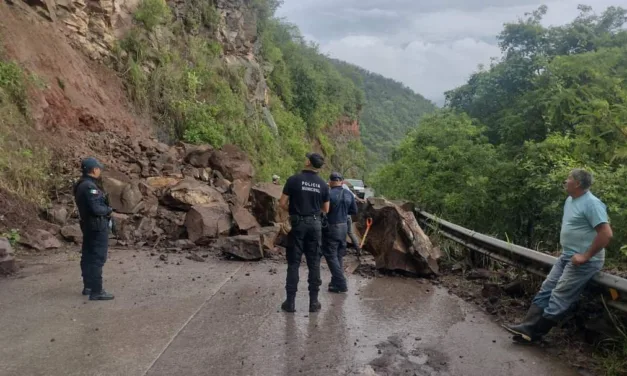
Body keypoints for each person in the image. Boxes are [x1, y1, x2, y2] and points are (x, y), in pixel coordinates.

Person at [505, 169, 613, 342]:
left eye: (568, 178)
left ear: (577, 183)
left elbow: (606, 234)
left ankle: (535, 333)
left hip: (584, 261)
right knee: (546, 289)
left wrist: (585, 256)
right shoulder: (570, 200)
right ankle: (527, 326)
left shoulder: (592, 204)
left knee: (559, 295)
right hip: (567, 256)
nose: (565, 180)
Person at [279, 153, 330, 313]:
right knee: (314, 263)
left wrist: (295, 210)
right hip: (315, 225)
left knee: (293, 263)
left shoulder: (294, 179)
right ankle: (313, 303)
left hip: (297, 224)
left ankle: (290, 303)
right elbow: (326, 209)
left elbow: (282, 203)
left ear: (308, 162)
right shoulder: (323, 184)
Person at [73, 157, 115, 301]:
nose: (100, 170)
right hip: (96, 226)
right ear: (94, 169)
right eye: (98, 168)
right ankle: (97, 291)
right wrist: (109, 210)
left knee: (88, 256)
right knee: (97, 258)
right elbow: (96, 208)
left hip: (88, 225)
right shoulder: (89, 187)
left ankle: (89, 286)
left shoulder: (80, 184)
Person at [322, 172, 358, 293]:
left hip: (332, 226)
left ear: (331, 181)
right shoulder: (348, 193)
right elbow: (354, 210)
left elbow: (324, 210)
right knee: (338, 255)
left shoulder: (329, 193)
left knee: (330, 255)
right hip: (344, 227)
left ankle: (341, 282)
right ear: (341, 181)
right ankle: (335, 282)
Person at [342, 182, 363, 255]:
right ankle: (358, 249)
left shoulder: (336, 189)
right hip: (348, 215)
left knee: (342, 233)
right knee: (350, 232)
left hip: (341, 216)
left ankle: (343, 251)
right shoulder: (345, 187)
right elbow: (352, 195)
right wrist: (360, 200)